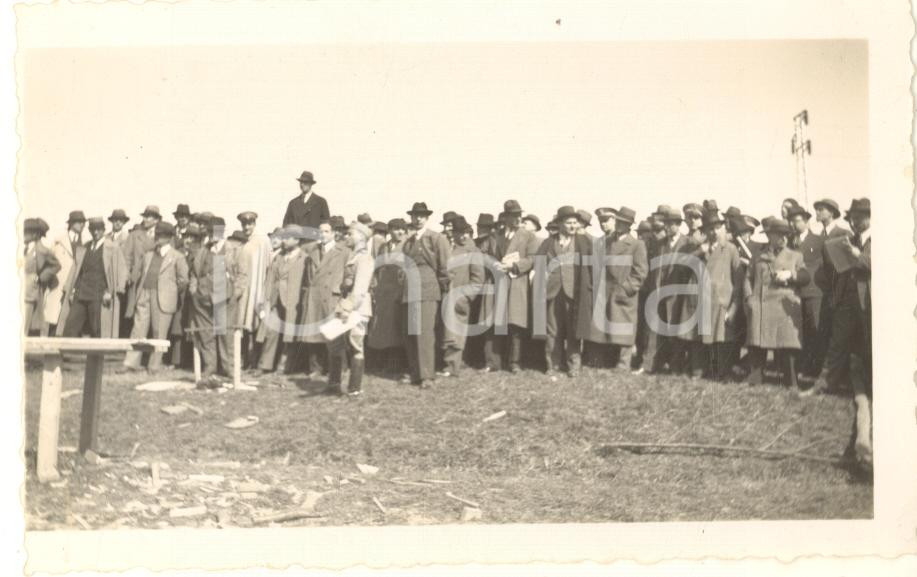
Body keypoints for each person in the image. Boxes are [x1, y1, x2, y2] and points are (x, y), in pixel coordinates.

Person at [743, 217, 809, 389]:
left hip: (783, 304)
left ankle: (791, 380)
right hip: (760, 303)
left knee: (787, 344)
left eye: (785, 235)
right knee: (757, 342)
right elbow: (747, 278)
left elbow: (805, 277)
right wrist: (749, 298)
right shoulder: (758, 256)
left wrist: (790, 275)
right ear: (769, 236)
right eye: (778, 234)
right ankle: (755, 377)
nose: (782, 238)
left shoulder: (796, 256)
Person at [122, 222, 190, 372]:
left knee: (159, 332)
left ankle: (154, 365)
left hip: (163, 299)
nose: (157, 238)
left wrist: (171, 291)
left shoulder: (177, 257)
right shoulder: (148, 255)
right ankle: (130, 363)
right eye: (157, 235)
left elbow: (183, 280)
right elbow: (141, 273)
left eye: (161, 235)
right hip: (145, 293)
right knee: (138, 329)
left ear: (168, 238)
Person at [587, 206, 648, 371]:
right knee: (605, 327)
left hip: (623, 293)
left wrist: (626, 289)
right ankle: (604, 360)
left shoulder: (636, 245)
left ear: (629, 226)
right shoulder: (607, 241)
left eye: (624, 223)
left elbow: (640, 272)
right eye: (618, 221)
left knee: (624, 329)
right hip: (606, 291)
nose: (620, 225)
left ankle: (623, 363)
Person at [482, 200, 540, 374]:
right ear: (505, 217)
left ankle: (514, 362)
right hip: (496, 282)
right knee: (494, 322)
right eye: (513, 215)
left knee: (515, 323)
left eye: (519, 215)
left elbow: (533, 259)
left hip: (516, 282)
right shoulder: (495, 235)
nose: (517, 219)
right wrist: (493, 265)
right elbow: (485, 255)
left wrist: (513, 267)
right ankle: (492, 362)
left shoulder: (529, 236)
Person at [535, 206, 593, 377]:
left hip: (574, 293)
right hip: (552, 292)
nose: (573, 226)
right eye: (569, 222)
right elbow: (539, 265)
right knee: (552, 330)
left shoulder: (584, 243)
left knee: (574, 330)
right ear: (559, 224)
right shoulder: (548, 243)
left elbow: (592, 268)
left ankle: (574, 366)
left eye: (575, 222)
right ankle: (552, 365)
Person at [401, 202, 451, 387]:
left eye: (421, 215)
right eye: (415, 215)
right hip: (410, 289)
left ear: (427, 218)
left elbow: (445, 266)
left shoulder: (436, 238)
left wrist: (444, 287)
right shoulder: (409, 241)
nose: (418, 218)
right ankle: (415, 372)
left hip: (428, 288)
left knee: (425, 333)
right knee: (410, 333)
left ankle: (427, 375)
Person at [639, 205, 690, 375]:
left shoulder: (687, 243)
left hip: (677, 296)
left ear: (678, 224)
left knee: (675, 332)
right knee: (655, 332)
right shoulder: (660, 244)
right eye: (665, 224)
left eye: (671, 224)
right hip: (658, 293)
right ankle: (651, 365)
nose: (668, 227)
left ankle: (676, 367)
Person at [327, 221, 376, 396]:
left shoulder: (365, 258)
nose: (347, 236)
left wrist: (347, 308)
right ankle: (334, 384)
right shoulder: (353, 256)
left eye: (351, 234)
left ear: (361, 237)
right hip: (347, 305)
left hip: (358, 308)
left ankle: (354, 388)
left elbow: (360, 289)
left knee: (356, 346)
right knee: (335, 343)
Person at [60, 217, 129, 338]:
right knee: (70, 326)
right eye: (93, 230)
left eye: (98, 229)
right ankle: (67, 356)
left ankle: (96, 357)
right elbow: (77, 271)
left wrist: (110, 292)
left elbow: (122, 271)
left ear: (103, 230)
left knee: (98, 329)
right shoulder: (85, 247)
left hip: (99, 294)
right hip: (81, 293)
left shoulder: (112, 248)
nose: (95, 232)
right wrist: (72, 290)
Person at [695, 211, 743, 381]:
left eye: (717, 227)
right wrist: (700, 252)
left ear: (723, 228)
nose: (714, 232)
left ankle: (724, 372)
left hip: (724, 301)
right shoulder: (701, 249)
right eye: (710, 229)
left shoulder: (730, 249)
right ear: (705, 231)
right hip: (706, 301)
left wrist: (734, 306)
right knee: (707, 338)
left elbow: (738, 280)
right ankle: (708, 370)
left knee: (723, 338)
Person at [301, 219, 351, 377]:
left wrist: (343, 291)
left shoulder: (343, 252)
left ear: (334, 233)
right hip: (315, 296)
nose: (322, 234)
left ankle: (339, 368)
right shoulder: (313, 251)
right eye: (320, 231)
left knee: (334, 334)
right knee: (314, 335)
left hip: (332, 296)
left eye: (326, 231)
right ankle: (315, 368)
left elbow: (349, 275)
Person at [255, 224, 307, 375]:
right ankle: (264, 365)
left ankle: (284, 366)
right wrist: (266, 298)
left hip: (293, 301)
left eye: (287, 238)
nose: (283, 241)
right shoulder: (279, 257)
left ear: (297, 240)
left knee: (289, 335)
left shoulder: (304, 259)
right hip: (275, 300)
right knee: (271, 331)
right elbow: (270, 279)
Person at [439, 215, 484, 378]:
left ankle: (452, 366)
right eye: (460, 233)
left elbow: (478, 281)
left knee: (456, 333)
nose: (464, 236)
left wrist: (464, 297)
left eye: (466, 232)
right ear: (454, 233)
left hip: (458, 299)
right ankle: (442, 363)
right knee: (442, 331)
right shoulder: (446, 247)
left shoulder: (473, 251)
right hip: (442, 295)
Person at [787, 205, 825, 379]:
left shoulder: (817, 241)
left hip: (812, 292)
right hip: (793, 293)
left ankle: (816, 369)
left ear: (806, 221)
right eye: (791, 221)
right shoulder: (789, 241)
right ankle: (801, 366)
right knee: (798, 331)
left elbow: (820, 267)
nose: (793, 225)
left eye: (796, 221)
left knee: (814, 329)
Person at [367, 218, 409, 374]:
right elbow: (378, 269)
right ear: (390, 231)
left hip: (399, 292)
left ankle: (397, 366)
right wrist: (375, 287)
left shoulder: (407, 246)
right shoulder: (384, 247)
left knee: (398, 331)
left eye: (402, 229)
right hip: (384, 293)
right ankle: (383, 363)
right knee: (384, 330)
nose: (400, 232)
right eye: (397, 229)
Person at [234, 211, 273, 368]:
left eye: (249, 224)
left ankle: (255, 360)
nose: (246, 227)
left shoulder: (263, 241)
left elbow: (270, 264)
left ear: (254, 224)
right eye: (244, 224)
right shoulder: (245, 243)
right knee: (245, 324)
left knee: (257, 324)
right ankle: (246, 360)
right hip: (246, 289)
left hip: (258, 287)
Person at [45, 210, 86, 335]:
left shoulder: (84, 243)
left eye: (83, 222)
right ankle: (51, 346)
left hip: (74, 285)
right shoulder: (59, 241)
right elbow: (50, 261)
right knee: (54, 316)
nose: (81, 225)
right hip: (58, 283)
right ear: (71, 223)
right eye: (78, 222)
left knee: (69, 318)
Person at [123, 205, 162, 337]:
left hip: (154, 280)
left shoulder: (162, 236)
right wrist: (127, 275)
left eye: (148, 216)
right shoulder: (134, 235)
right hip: (137, 279)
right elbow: (127, 257)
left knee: (156, 317)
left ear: (156, 220)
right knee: (137, 313)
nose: (145, 219)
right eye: (144, 216)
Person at [22, 218, 60, 335]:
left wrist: (40, 277)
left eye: (27, 232)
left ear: (35, 234)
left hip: (29, 292)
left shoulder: (42, 250)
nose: (24, 234)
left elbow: (56, 265)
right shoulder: (19, 246)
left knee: (24, 325)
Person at [283, 171, 330, 239]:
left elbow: (326, 224)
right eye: (301, 182)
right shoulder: (293, 203)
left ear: (311, 184)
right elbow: (286, 225)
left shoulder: (321, 202)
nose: (302, 184)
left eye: (305, 182)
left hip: (314, 242)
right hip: (297, 243)